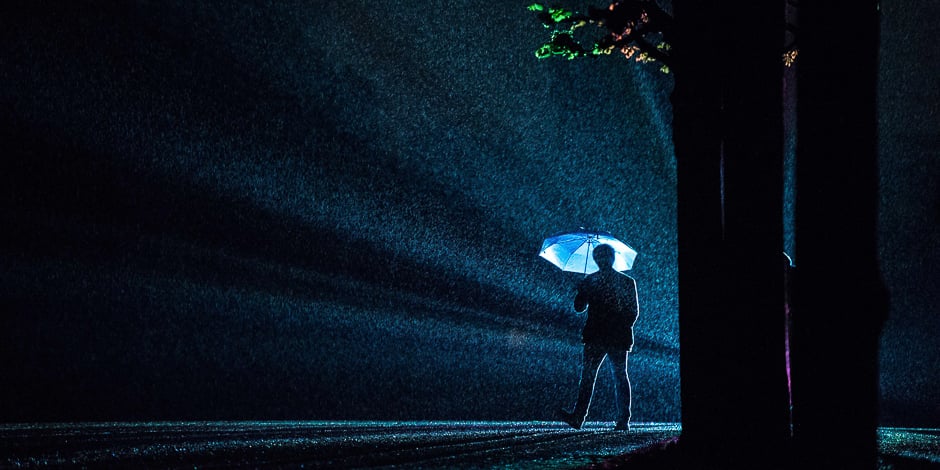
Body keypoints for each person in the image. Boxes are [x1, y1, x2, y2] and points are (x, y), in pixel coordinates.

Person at [559, 243, 639, 431]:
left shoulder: (593, 280)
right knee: (617, 376)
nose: (601, 260)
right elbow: (632, 313)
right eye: (600, 257)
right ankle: (622, 420)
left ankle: (580, 417)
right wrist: (582, 291)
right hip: (613, 336)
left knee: (591, 376)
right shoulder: (625, 281)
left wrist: (583, 290)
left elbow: (579, 308)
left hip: (599, 334)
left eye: (603, 256)